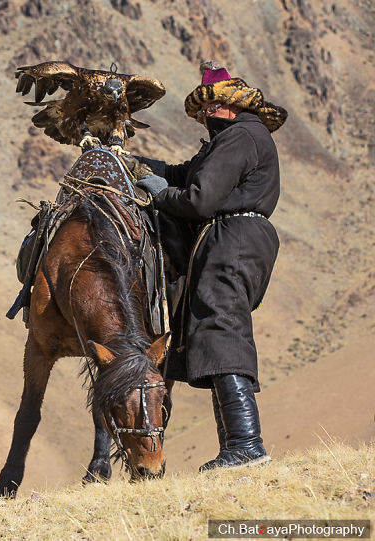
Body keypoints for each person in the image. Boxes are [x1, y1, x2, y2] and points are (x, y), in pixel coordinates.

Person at [134, 61, 288, 471]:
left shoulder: (239, 136)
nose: (205, 115)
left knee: (223, 329)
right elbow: (184, 174)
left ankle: (246, 445)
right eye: (202, 109)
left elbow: (199, 200)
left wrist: (160, 196)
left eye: (210, 107)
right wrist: (134, 163)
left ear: (231, 103)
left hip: (233, 240)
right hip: (233, 239)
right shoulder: (232, 138)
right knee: (217, 331)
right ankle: (236, 447)